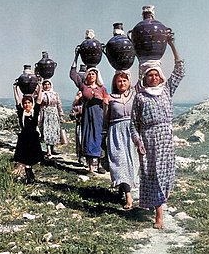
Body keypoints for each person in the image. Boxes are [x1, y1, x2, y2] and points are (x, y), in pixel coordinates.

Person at [130, 32, 185, 229]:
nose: (153, 77)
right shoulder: (140, 97)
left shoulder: (167, 90)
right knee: (152, 175)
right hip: (149, 140)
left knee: (166, 174)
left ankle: (160, 204)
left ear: (160, 76)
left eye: (156, 74)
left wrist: (171, 44)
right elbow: (133, 124)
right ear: (145, 78)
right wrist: (138, 142)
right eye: (149, 75)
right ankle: (159, 215)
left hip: (165, 139)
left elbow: (180, 70)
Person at [104, 70, 139, 209]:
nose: (122, 83)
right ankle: (128, 197)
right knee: (120, 163)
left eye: (125, 80)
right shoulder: (110, 98)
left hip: (131, 131)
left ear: (129, 82)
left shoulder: (134, 95)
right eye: (119, 81)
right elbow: (106, 120)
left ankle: (124, 189)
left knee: (132, 163)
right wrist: (103, 136)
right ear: (115, 83)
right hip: (115, 132)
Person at [70, 52, 109, 173]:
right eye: (90, 73)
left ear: (97, 76)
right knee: (88, 137)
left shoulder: (102, 88)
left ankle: (98, 164)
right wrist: (76, 56)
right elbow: (72, 75)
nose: (91, 75)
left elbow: (108, 100)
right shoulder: (84, 87)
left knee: (98, 137)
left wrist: (103, 99)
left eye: (93, 74)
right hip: (87, 115)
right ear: (86, 75)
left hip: (99, 115)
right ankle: (90, 166)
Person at [13, 83, 44, 184]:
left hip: (33, 138)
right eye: (25, 103)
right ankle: (30, 178)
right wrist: (15, 89)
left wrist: (39, 89)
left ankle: (30, 177)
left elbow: (39, 100)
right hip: (24, 139)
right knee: (25, 159)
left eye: (29, 103)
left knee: (30, 160)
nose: (27, 105)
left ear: (32, 103)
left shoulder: (34, 112)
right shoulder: (21, 112)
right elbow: (17, 101)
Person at [39, 79, 64, 158]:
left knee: (54, 131)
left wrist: (61, 115)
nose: (47, 86)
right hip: (45, 114)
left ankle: (53, 149)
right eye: (45, 84)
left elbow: (58, 104)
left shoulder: (55, 94)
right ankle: (48, 149)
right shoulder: (41, 94)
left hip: (54, 114)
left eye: (48, 84)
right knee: (47, 131)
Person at [69, 90, 84, 164]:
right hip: (80, 124)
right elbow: (71, 115)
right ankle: (80, 157)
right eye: (78, 94)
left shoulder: (87, 104)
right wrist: (76, 113)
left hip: (88, 125)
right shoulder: (75, 106)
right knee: (80, 140)